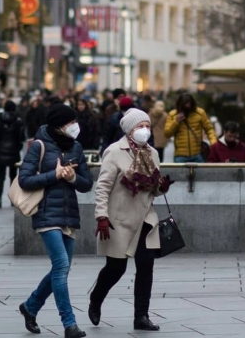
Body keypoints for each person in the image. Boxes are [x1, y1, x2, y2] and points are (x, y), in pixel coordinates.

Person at [89, 108, 173, 332]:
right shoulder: (114, 151)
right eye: (140, 127)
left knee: (146, 266)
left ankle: (141, 316)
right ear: (128, 130)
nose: (145, 131)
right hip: (119, 219)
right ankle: (96, 298)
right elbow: (102, 188)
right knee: (116, 268)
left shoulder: (152, 153)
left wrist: (161, 188)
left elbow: (151, 189)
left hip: (146, 218)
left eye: (147, 126)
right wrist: (101, 217)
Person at [18, 104, 93, 338]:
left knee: (61, 269)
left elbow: (87, 184)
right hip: (46, 214)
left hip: (68, 214)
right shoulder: (39, 146)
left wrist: (72, 178)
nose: (75, 126)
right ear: (59, 125)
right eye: (71, 122)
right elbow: (25, 180)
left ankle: (30, 307)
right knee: (61, 266)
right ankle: (69, 323)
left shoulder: (76, 148)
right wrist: (55, 175)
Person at [0, 100, 25, 208]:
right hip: (13, 152)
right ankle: (12, 199)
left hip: (0, 152)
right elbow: (21, 138)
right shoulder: (18, 122)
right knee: (13, 177)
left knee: (1, 177)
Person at [164, 93, 217, 163]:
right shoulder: (173, 115)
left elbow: (209, 129)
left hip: (198, 154)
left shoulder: (200, 113)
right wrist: (176, 122)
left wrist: (213, 143)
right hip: (180, 155)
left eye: (189, 105)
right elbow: (167, 134)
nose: (188, 107)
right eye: (185, 105)